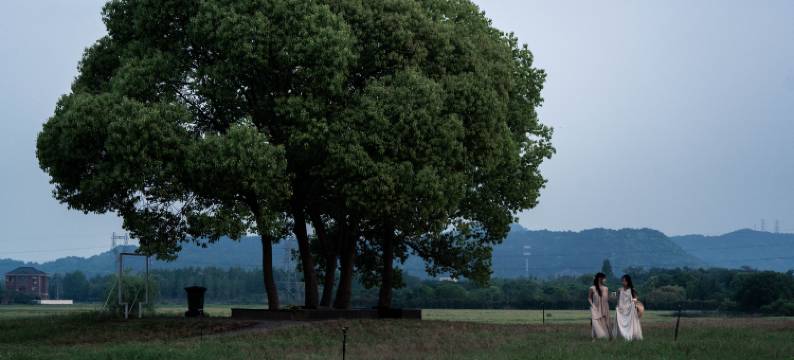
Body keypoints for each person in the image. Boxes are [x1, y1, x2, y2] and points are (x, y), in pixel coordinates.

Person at [615, 274, 643, 341]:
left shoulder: (632, 290)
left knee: (629, 323)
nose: (623, 283)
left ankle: (630, 335)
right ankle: (623, 335)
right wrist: (617, 306)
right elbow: (618, 299)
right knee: (620, 322)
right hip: (622, 308)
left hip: (629, 309)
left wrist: (633, 303)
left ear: (628, 281)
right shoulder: (619, 290)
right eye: (622, 281)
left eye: (624, 281)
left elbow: (636, 298)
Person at [588, 272, 611, 340]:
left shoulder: (606, 288)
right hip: (595, 307)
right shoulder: (592, 288)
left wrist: (614, 295)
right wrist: (592, 305)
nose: (605, 280)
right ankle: (594, 337)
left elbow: (607, 298)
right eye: (604, 278)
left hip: (604, 307)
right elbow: (589, 298)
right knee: (595, 321)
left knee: (606, 321)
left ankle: (608, 336)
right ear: (600, 278)